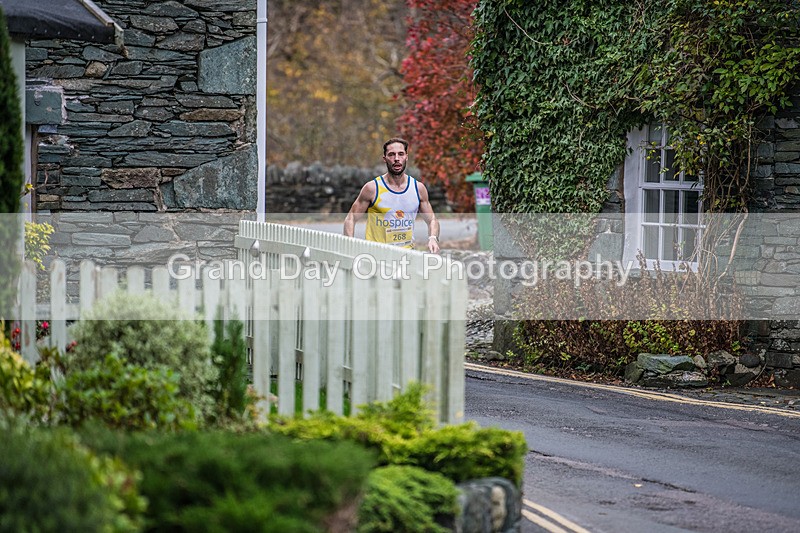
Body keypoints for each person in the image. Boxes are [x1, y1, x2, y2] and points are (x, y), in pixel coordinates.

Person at [344, 138, 440, 253]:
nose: (396, 159)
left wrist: (433, 238)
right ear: (385, 159)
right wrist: (349, 244)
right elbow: (351, 218)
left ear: (406, 157)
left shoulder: (418, 188)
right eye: (391, 155)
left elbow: (432, 220)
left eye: (401, 154)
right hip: (377, 255)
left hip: (407, 255)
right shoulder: (372, 188)